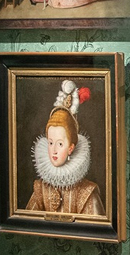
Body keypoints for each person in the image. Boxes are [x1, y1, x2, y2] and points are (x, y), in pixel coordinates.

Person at [26, 79, 104, 215]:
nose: (54, 150)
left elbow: (95, 232)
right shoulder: (40, 188)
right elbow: (26, 225)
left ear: (71, 148)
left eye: (60, 144)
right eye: (51, 143)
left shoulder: (87, 191)